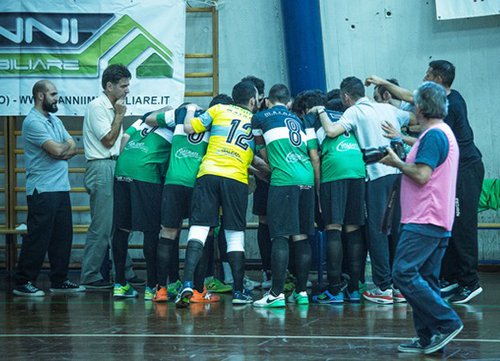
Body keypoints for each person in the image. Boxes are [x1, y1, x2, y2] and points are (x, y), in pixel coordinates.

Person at [366, 60, 485, 303]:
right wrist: (383, 82)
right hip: (456, 169)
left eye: (428, 74)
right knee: (450, 225)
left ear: (439, 80)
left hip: (467, 170)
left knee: (462, 227)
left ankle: (469, 282)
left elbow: (428, 143)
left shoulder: (451, 106)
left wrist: (400, 138)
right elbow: (411, 96)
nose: (423, 77)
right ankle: (452, 277)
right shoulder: (444, 99)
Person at [381, 82, 463, 354]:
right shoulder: (441, 133)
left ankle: (446, 322)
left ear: (419, 107)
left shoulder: (433, 136)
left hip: (425, 217)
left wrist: (397, 164)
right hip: (436, 217)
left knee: (403, 273)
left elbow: (421, 175)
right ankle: (428, 336)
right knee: (425, 278)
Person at [317, 76, 413, 304]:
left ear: (346, 97)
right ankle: (400, 286)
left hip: (377, 174)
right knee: (397, 230)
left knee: (378, 231)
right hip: (399, 173)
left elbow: (331, 131)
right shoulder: (388, 109)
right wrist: (400, 135)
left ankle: (383, 286)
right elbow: (416, 117)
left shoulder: (354, 111)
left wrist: (320, 110)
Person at [175, 81, 262, 307]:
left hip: (209, 173)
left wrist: (191, 112)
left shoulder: (218, 109)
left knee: (199, 229)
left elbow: (189, 128)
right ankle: (239, 291)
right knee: (234, 235)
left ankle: (187, 284)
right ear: (253, 101)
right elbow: (255, 156)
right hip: (236, 178)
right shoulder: (256, 120)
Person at [145, 94, 233, 303]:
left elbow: (149, 119)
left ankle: (161, 290)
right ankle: (197, 291)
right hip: (199, 185)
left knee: (167, 233)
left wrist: (181, 109)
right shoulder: (221, 124)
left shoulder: (182, 114)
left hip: (173, 182)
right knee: (203, 235)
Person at [251, 84, 320, 308]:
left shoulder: (260, 118)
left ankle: (276, 294)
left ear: (269, 101)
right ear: (289, 102)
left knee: (279, 236)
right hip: (307, 178)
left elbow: (262, 154)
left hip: (283, 180)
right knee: (301, 236)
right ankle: (301, 292)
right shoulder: (301, 120)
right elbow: (313, 154)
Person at [13, 80, 84, 296]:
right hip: (42, 190)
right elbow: (57, 150)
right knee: (38, 237)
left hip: (61, 188)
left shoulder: (54, 120)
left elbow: (72, 146)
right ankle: (23, 281)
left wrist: (63, 149)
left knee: (62, 237)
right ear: (40, 96)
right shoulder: (33, 122)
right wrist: (62, 149)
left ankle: (59, 280)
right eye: (53, 94)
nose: (57, 98)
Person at [81, 64, 142, 289]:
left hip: (115, 165)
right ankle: (90, 275)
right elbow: (107, 140)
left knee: (120, 224)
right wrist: (119, 116)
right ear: (109, 86)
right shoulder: (98, 107)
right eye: (123, 86)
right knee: (103, 225)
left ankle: (123, 272)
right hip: (102, 167)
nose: (127, 90)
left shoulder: (114, 106)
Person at [303, 90, 366, 304]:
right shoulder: (350, 116)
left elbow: (315, 159)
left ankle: (334, 289)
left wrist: (319, 191)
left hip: (334, 171)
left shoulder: (315, 120)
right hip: (358, 170)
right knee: (353, 228)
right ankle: (355, 289)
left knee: (333, 227)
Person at [111, 107, 174, 299]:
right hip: (145, 175)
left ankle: (120, 283)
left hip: (122, 171)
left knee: (121, 229)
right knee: (151, 230)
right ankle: (152, 286)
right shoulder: (175, 128)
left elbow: (123, 140)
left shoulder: (142, 121)